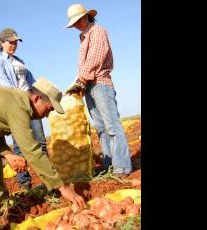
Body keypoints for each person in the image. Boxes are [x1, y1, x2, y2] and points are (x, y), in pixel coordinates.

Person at [0, 77, 86, 230]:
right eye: (48, 109)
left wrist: (7, 153)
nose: (47, 115)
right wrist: (63, 187)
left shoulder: (16, 101)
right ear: (37, 98)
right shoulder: (18, 106)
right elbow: (32, 151)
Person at [65, 3, 132, 178]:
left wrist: (81, 79)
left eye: (79, 20)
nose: (77, 24)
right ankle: (109, 165)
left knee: (112, 125)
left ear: (87, 16)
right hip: (89, 85)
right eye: (75, 23)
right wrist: (80, 83)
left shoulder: (97, 31)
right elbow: (85, 65)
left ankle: (122, 167)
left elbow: (96, 58)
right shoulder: (83, 37)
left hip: (101, 83)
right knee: (101, 128)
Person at [0, 28, 47, 190]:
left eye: (16, 42)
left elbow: (32, 82)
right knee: (19, 144)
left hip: (31, 103)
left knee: (40, 140)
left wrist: (41, 95)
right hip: (16, 105)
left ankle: (46, 178)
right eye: (11, 42)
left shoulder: (20, 60)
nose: (14, 45)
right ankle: (24, 182)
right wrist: (21, 98)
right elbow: (6, 85)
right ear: (2, 43)